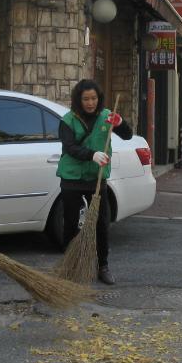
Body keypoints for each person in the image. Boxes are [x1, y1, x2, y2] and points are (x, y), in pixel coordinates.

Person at [57, 79, 133, 285]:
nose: (90, 103)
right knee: (71, 223)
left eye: (93, 98)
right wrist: (91, 155)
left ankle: (103, 266)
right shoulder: (68, 120)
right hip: (72, 177)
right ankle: (70, 265)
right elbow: (70, 147)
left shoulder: (107, 116)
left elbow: (127, 136)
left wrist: (120, 124)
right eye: (85, 99)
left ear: (98, 99)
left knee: (101, 224)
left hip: (96, 179)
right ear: (78, 100)